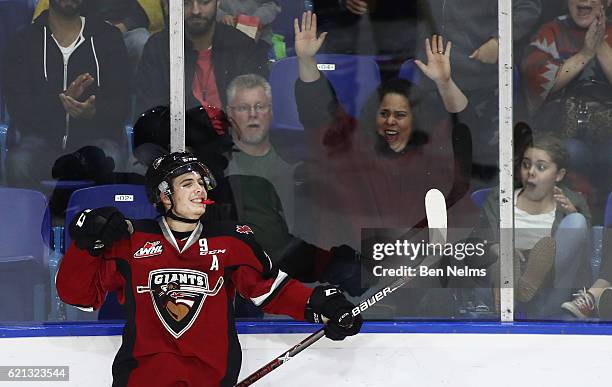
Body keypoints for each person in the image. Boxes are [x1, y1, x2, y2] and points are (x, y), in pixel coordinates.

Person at [56, 151, 362, 386]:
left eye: (202, 183)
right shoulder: (130, 241)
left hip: (211, 379)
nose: (199, 190)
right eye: (187, 183)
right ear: (164, 196)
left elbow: (269, 291)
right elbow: (77, 295)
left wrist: (320, 306)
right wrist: (88, 245)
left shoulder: (230, 240)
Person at [294, 12, 478, 250]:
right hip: (361, 268)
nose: (391, 120)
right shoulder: (355, 148)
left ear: (415, 120)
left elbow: (463, 128)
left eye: (400, 115)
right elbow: (318, 113)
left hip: (420, 268)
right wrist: (306, 61)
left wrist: (444, 84)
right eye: (384, 113)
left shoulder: (432, 155)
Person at [2, 0, 131, 188]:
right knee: (19, 162)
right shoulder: (25, 40)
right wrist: (60, 102)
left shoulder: (107, 37)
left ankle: (102, 218)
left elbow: (122, 103)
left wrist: (93, 112)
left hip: (95, 140)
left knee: (112, 158)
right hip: (42, 141)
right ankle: (35, 216)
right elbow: (18, 107)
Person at [417, 0, 542, 182]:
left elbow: (528, 6)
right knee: (431, 157)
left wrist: (500, 40)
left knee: (480, 165)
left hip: (480, 77)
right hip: (432, 74)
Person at [475, 134, 592, 318]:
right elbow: (478, 241)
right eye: (526, 164)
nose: (531, 172)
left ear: (559, 175)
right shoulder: (500, 198)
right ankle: (516, 284)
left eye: (541, 167)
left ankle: (525, 285)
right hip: (501, 288)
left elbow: (585, 252)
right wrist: (497, 248)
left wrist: (572, 214)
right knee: (503, 260)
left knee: (577, 223)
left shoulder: (573, 202)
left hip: (549, 294)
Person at [522, 0, 612, 221]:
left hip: (607, 134)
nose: (585, 1)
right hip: (562, 133)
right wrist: (585, 53)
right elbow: (535, 80)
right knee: (572, 152)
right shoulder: (551, 31)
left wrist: (600, 45)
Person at [134, 0, 269, 116]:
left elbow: (255, 113)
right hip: (175, 142)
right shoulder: (158, 48)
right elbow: (149, 114)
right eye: (185, 3)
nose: (196, 10)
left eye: (204, 2)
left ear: (218, 2)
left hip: (233, 141)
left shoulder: (243, 46)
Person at [217, 0, 281, 45]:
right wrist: (222, 16)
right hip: (223, 36)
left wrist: (254, 20)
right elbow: (208, 6)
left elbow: (272, 5)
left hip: (259, 38)